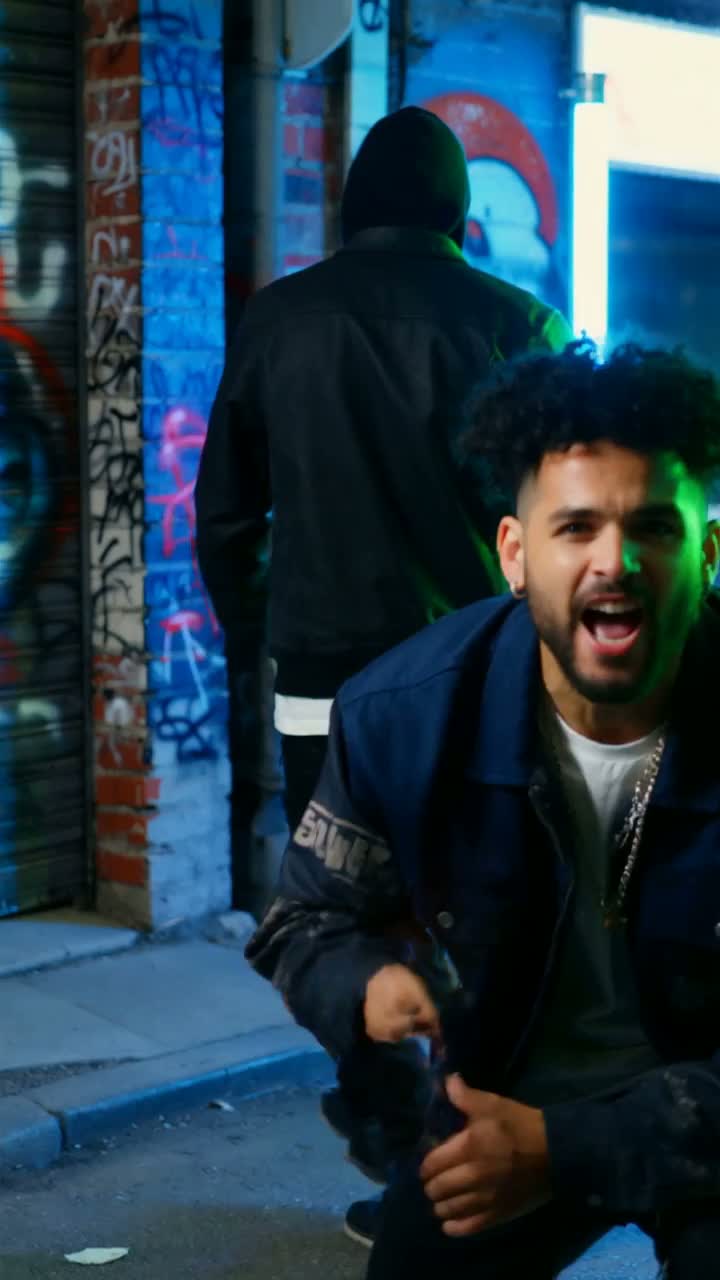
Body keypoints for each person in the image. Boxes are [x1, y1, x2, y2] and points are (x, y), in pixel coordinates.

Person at [245, 341, 720, 1278]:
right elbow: (302, 921)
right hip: (504, 1101)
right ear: (515, 553)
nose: (615, 561)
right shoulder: (405, 717)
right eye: (576, 527)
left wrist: (565, 1150)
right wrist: (367, 984)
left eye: (654, 527)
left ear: (707, 551)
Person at [194, 103, 571, 1237]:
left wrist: (268, 633)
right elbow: (553, 508)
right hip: (475, 687)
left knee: (336, 923)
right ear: (459, 212)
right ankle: (459, 1163)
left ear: (352, 208)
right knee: (486, 919)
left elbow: (225, 518)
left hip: (321, 685)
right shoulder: (516, 319)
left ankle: (396, 1131)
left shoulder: (279, 318)